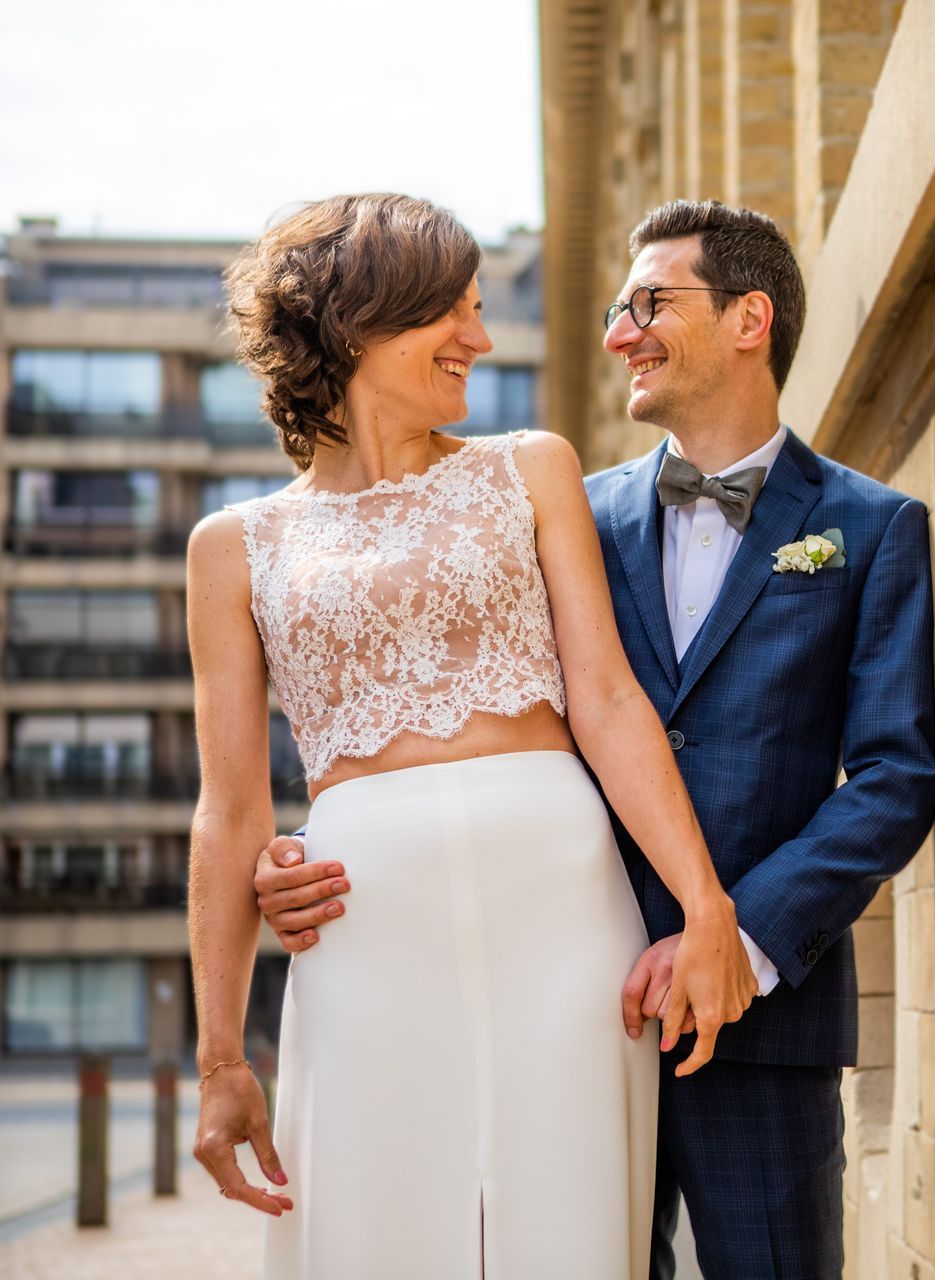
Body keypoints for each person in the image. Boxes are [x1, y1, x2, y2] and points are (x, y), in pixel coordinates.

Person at [255, 199, 935, 1279]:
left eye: (649, 303)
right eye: (618, 310)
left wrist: (743, 939)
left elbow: (895, 779)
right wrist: (310, 847)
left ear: (749, 318)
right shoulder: (555, 505)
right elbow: (439, 683)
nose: (621, 332)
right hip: (564, 991)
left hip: (759, 1016)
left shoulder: (871, 527)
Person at [186, 193, 758, 1279]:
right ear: (357, 321)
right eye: (451, 310)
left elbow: (606, 698)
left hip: (563, 919)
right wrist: (221, 1059)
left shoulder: (531, 466)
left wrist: (704, 902)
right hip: (363, 933)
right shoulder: (232, 546)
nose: (478, 339)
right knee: (374, 1231)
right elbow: (231, 810)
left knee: (568, 1228)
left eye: (480, 309)